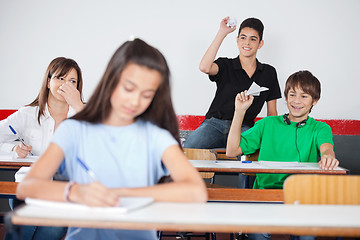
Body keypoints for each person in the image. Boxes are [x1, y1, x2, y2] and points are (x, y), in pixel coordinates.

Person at [16, 38, 207, 240]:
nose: (135, 101)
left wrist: (121, 194)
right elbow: (28, 186)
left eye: (147, 95)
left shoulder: (155, 136)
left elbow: (196, 192)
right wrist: (75, 192)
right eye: (129, 88)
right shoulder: (73, 130)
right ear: (112, 81)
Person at [226, 70, 339, 240]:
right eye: (292, 94)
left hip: (302, 197)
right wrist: (239, 112)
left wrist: (328, 155)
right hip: (265, 196)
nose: (296, 101)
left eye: (304, 96)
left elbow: (326, 148)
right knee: (257, 235)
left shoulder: (320, 128)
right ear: (285, 97)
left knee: (306, 236)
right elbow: (231, 151)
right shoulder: (267, 124)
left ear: (314, 101)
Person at [0, 56, 84, 240]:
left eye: (72, 81)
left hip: (63, 197)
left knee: (49, 231)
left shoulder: (84, 116)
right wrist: (12, 150)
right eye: (60, 78)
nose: (65, 85)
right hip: (28, 190)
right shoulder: (27, 115)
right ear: (48, 82)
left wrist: (78, 105)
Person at [184, 17, 281, 150]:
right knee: (191, 146)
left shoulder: (268, 72)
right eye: (243, 37)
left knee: (251, 154)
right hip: (215, 124)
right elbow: (204, 67)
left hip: (244, 127)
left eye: (253, 39)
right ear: (237, 40)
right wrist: (222, 32)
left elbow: (272, 111)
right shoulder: (225, 64)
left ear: (260, 44)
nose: (247, 42)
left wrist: (271, 138)